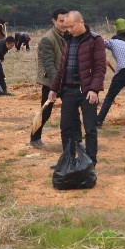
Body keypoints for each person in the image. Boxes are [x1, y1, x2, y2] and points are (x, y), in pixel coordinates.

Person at [48, 11, 106, 166]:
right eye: (66, 27)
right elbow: (62, 67)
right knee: (66, 128)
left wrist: (94, 89)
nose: (68, 30)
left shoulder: (95, 40)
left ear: (81, 22)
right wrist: (53, 88)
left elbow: (100, 68)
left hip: (87, 91)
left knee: (90, 128)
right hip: (68, 91)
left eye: (71, 26)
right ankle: (68, 160)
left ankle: (90, 162)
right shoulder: (67, 39)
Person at [31, 8, 68, 148]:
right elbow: (49, 65)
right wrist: (57, 85)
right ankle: (34, 138)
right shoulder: (48, 39)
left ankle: (73, 140)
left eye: (66, 21)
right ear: (53, 21)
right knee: (45, 111)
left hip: (65, 80)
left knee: (70, 110)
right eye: (61, 21)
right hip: (51, 82)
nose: (64, 24)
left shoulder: (67, 35)